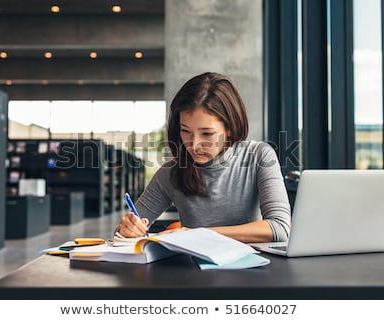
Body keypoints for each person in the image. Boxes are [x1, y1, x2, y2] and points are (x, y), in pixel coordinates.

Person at [117, 72, 291, 243]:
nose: (194, 144)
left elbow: (280, 228)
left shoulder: (259, 156)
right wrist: (127, 230)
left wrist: (197, 234)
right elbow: (121, 236)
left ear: (230, 127)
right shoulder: (171, 172)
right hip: (194, 269)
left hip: (252, 267)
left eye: (207, 133)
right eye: (185, 131)